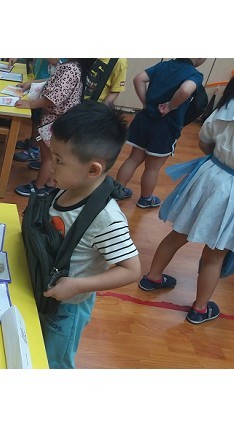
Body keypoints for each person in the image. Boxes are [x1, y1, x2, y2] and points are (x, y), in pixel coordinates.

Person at [39, 101, 141, 368]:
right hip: (47, 290)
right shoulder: (68, 186)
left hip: (69, 306)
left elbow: (131, 270)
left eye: (58, 161)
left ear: (93, 170)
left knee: (54, 363)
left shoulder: (106, 219)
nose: (50, 166)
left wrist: (78, 285)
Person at [138, 76, 234, 324]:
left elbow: (204, 141)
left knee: (178, 233)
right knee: (215, 254)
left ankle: (153, 277)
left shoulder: (227, 107)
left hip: (209, 174)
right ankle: (199, 309)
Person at [115, 58, 206, 208]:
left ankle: (117, 191)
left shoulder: (164, 65)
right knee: (152, 168)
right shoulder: (194, 74)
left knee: (133, 159)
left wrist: (146, 103)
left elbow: (139, 79)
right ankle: (145, 199)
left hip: (144, 120)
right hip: (165, 127)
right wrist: (170, 106)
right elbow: (185, 90)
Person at [14, 58, 95, 197]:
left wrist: (30, 104)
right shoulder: (73, 67)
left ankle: (38, 187)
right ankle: (50, 183)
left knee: (48, 158)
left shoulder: (69, 69)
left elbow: (53, 98)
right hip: (58, 121)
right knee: (51, 157)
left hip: (55, 122)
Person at [14, 59, 65, 166]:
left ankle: (34, 148)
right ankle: (33, 142)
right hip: (41, 87)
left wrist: (30, 102)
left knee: (40, 123)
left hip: (47, 97)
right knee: (36, 119)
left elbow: (55, 81)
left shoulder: (66, 67)